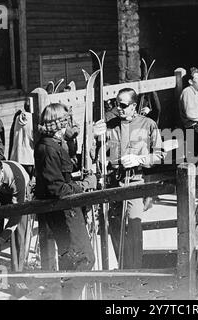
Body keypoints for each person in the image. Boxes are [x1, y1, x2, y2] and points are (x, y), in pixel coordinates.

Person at [34, 103, 104, 273]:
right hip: (64, 211)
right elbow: (57, 188)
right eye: (66, 122)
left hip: (66, 210)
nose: (69, 126)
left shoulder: (54, 144)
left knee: (70, 261)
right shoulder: (48, 148)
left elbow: (64, 169)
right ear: (58, 124)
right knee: (84, 259)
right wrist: (85, 185)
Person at [106, 88, 164, 269]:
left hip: (135, 181)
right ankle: (123, 266)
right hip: (114, 182)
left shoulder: (148, 124)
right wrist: (94, 135)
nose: (119, 108)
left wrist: (139, 159)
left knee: (134, 226)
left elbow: (160, 155)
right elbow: (97, 152)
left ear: (133, 106)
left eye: (123, 105)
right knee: (115, 225)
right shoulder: (111, 124)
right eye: (117, 104)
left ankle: (136, 269)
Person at [9, 98, 34, 178]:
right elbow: (33, 138)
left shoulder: (18, 118)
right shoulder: (32, 119)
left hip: (18, 157)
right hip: (30, 158)